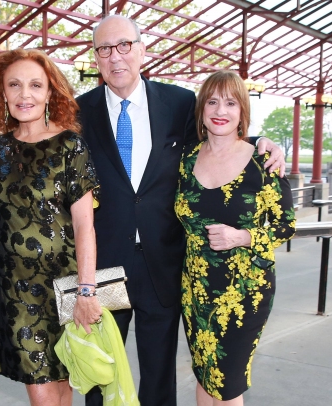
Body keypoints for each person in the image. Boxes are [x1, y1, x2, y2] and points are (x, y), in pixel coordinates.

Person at [76, 15, 286, 406]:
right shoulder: (77, 113)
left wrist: (261, 142)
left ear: (142, 49)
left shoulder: (177, 103)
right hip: (104, 264)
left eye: (124, 45)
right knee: (100, 376)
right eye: (104, 49)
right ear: (96, 58)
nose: (115, 56)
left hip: (165, 263)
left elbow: (216, 139)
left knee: (159, 376)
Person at [0, 49, 102, 406]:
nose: (25, 95)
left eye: (36, 85)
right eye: (14, 85)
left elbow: (85, 226)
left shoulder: (70, 145)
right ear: (2, 93)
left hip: (64, 287)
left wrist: (86, 290)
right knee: (41, 393)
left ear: (50, 92)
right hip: (15, 293)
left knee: (62, 387)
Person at [175, 70, 296, 405]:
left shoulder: (262, 160)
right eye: (212, 101)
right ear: (201, 110)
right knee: (204, 373)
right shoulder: (185, 160)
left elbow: (285, 225)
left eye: (230, 102)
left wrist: (242, 236)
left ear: (242, 110)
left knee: (227, 383)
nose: (220, 110)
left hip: (246, 289)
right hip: (196, 288)